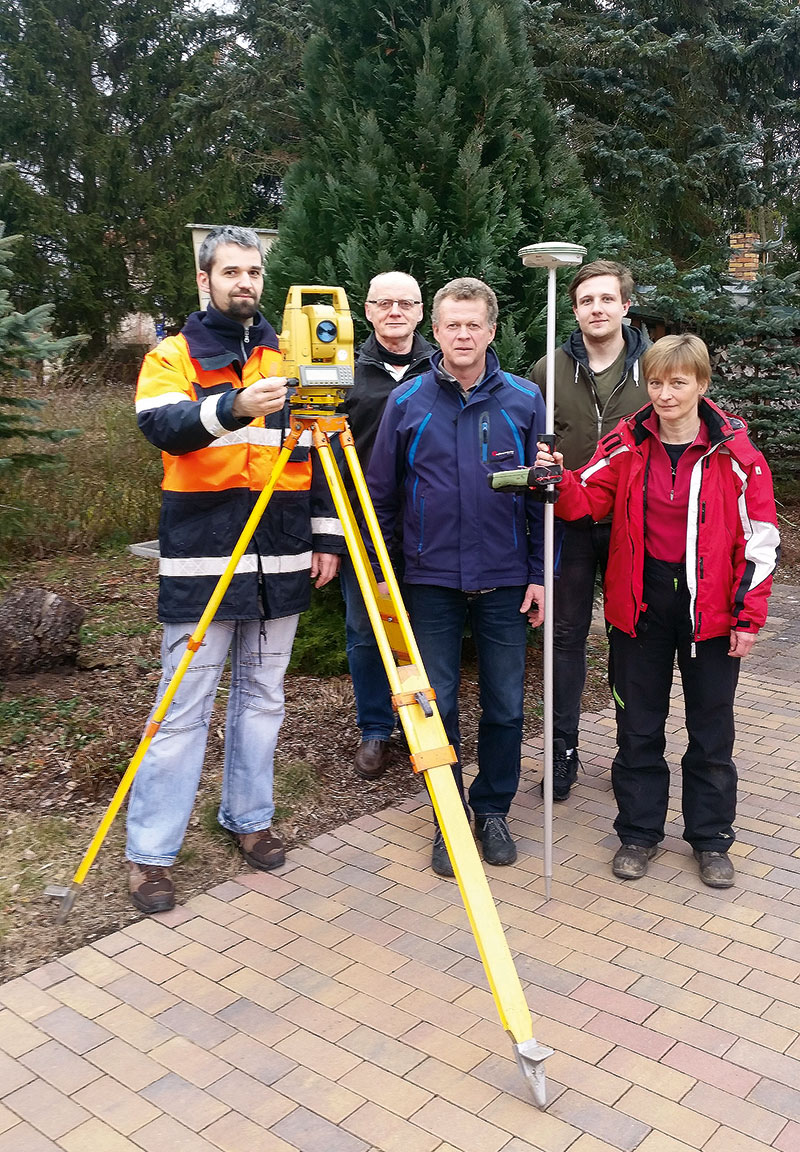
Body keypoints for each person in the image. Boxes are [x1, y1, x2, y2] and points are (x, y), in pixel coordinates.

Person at [127, 225, 343, 913]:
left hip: (279, 559)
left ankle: (249, 820)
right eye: (231, 272)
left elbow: (318, 454)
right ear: (205, 280)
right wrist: (232, 407)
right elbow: (163, 426)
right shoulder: (173, 355)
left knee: (262, 704)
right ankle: (152, 855)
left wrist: (327, 538)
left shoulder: (288, 354)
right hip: (202, 563)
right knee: (181, 712)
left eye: (254, 271)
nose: (245, 282)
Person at [535, 334, 779, 889]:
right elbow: (587, 497)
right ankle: (638, 834)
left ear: (701, 384)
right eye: (656, 383)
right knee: (638, 727)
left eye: (679, 382)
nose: (665, 394)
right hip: (640, 609)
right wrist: (555, 481)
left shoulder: (736, 454)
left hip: (711, 616)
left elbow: (761, 539)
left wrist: (748, 615)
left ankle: (711, 839)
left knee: (711, 732)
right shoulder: (629, 442)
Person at [368, 277, 546, 876]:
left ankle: (492, 810)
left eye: (474, 324)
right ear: (435, 331)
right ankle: (449, 817)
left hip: (503, 579)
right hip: (430, 580)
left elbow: (539, 499)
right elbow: (382, 497)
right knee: (435, 705)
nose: (463, 334)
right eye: (452, 324)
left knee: (504, 705)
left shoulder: (523, 399)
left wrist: (539, 574)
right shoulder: (408, 401)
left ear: (491, 331)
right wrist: (388, 573)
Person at [531, 260, 647, 800]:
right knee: (564, 637)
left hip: (635, 527)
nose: (595, 309)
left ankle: (631, 752)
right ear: (573, 310)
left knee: (630, 639)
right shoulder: (549, 370)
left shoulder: (653, 368)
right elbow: (531, 435)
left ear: (625, 305)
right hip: (569, 524)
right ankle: (563, 750)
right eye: (585, 301)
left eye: (606, 299)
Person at [339, 272, 434, 780]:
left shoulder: (440, 368)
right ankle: (375, 728)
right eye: (384, 303)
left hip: (430, 527)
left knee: (426, 629)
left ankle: (421, 722)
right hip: (365, 526)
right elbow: (324, 456)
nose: (395, 311)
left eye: (406, 303)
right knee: (365, 630)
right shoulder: (345, 375)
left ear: (420, 312)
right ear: (368, 311)